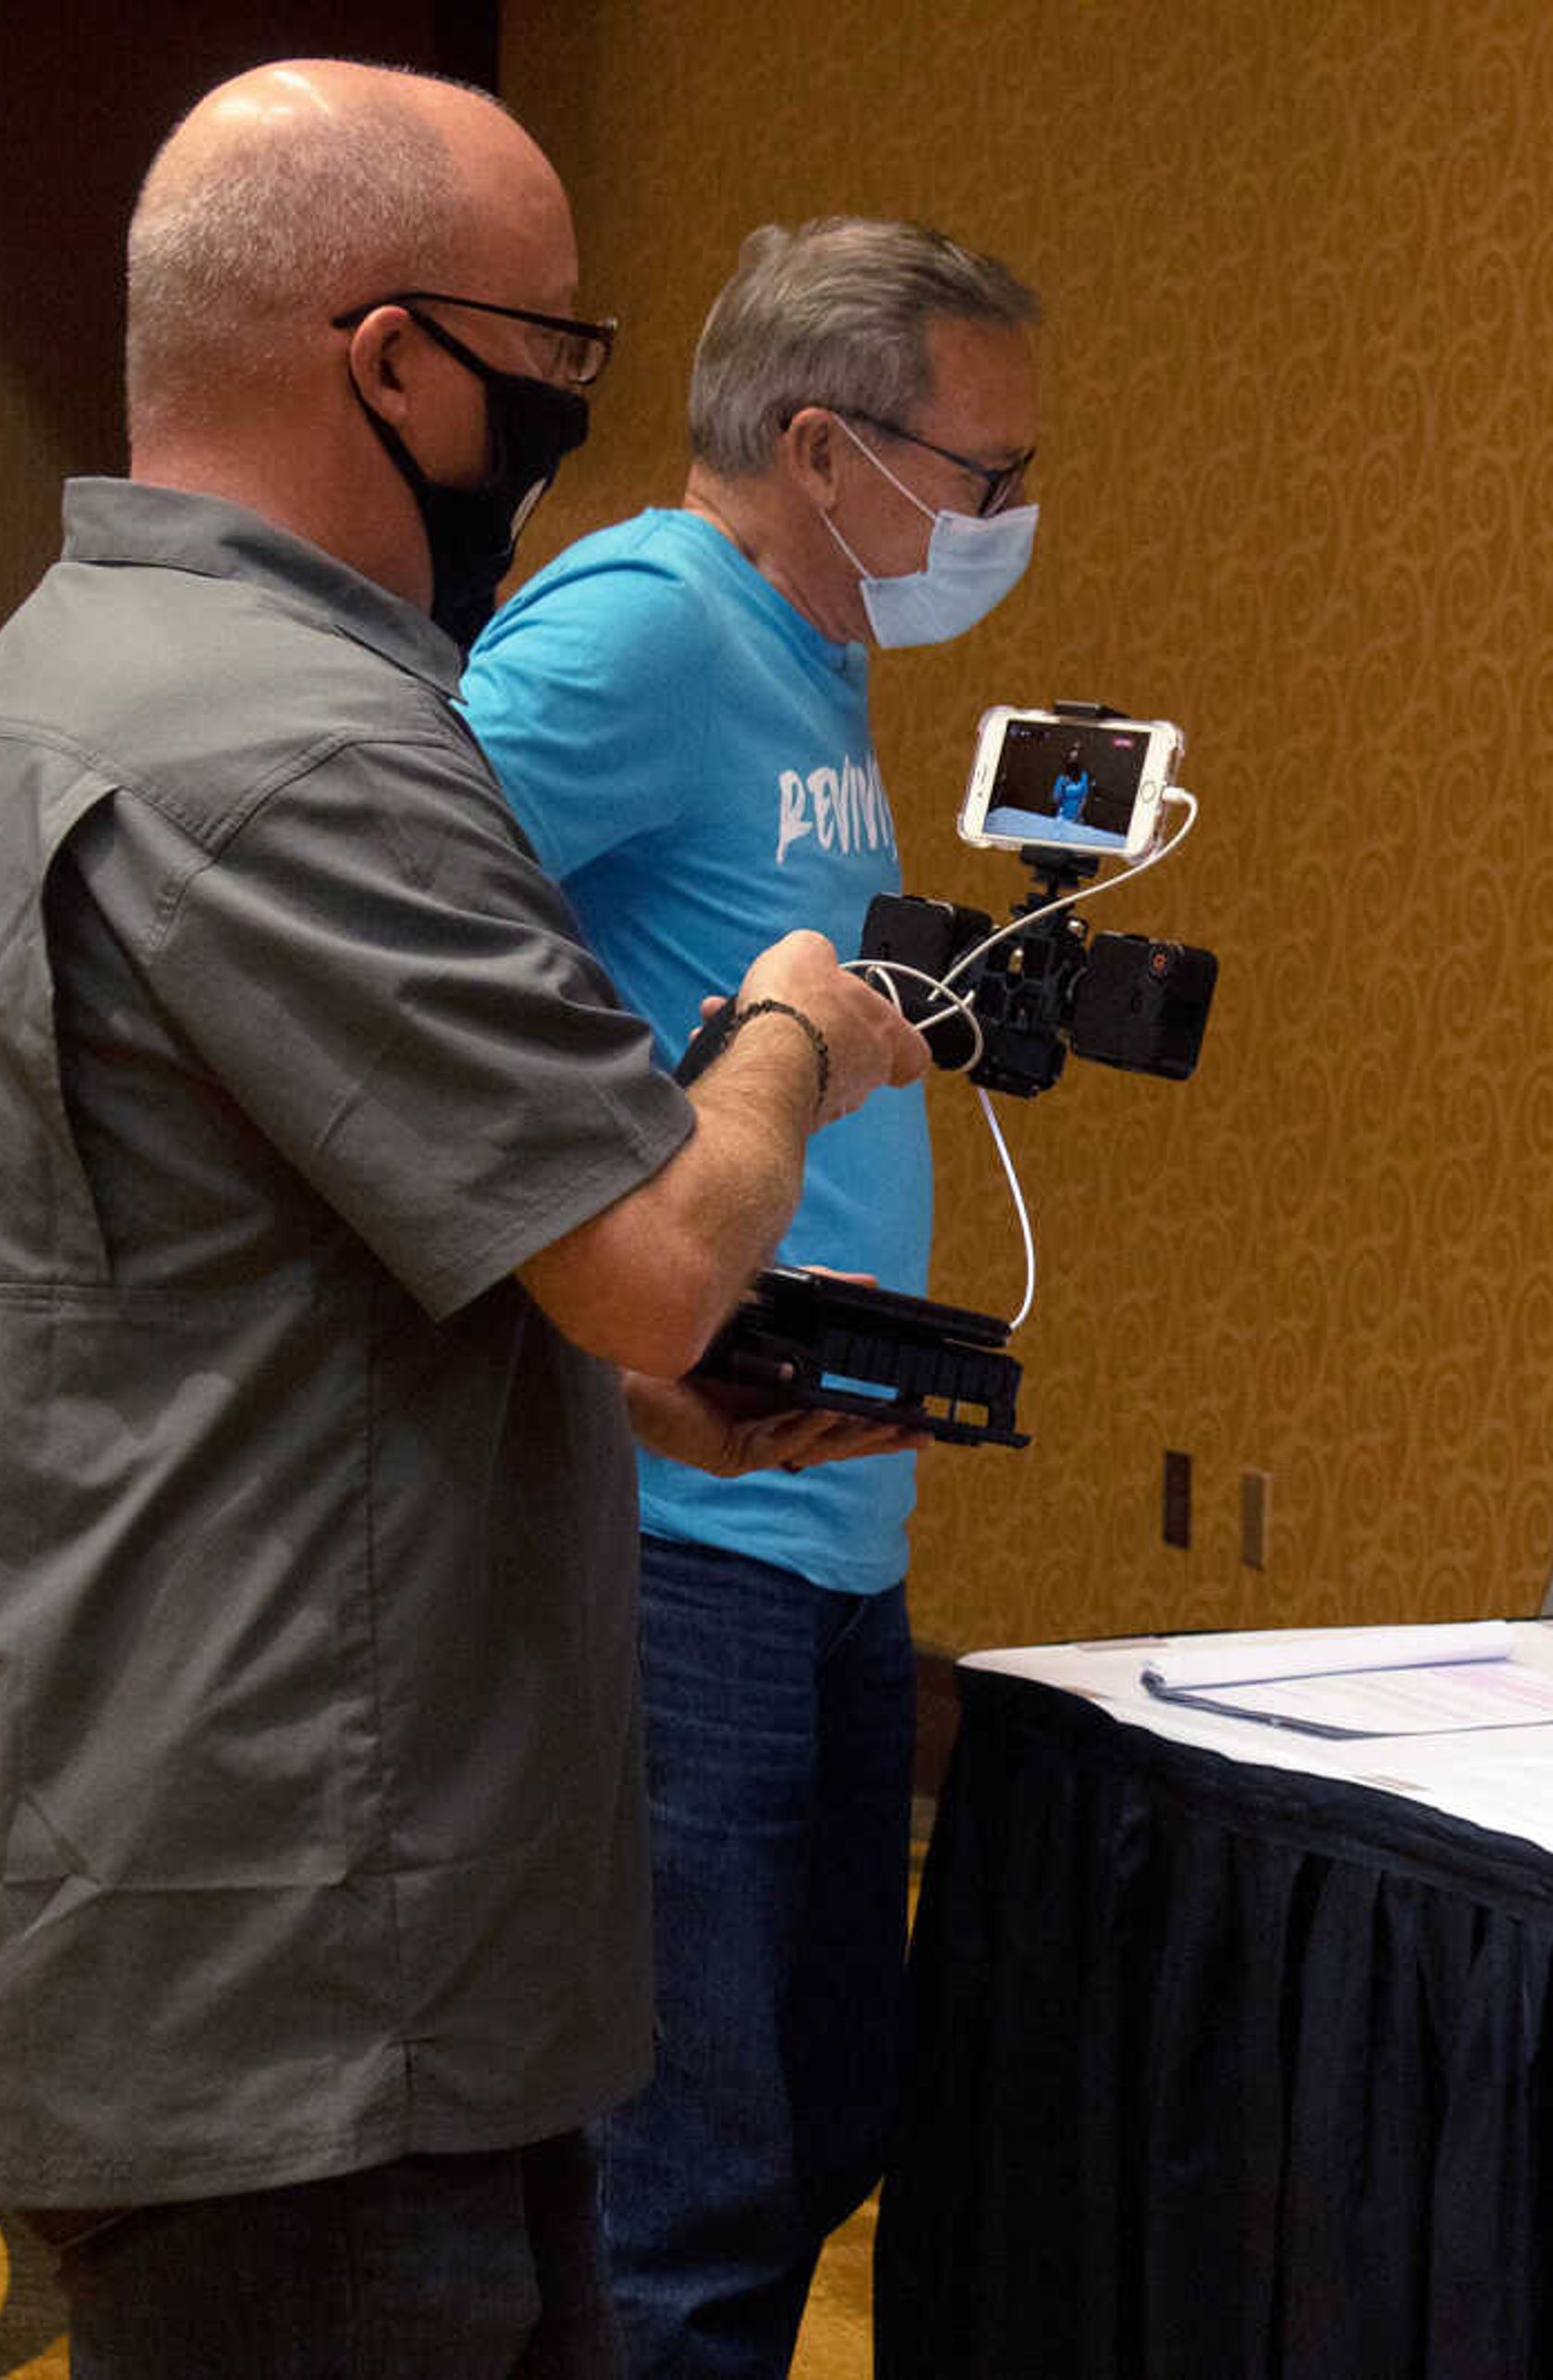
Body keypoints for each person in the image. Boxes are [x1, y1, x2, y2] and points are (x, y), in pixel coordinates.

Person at [0, 62, 930, 2377]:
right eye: (554, 357)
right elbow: (662, 1248)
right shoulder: (308, 745)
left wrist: (632, 1380)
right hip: (311, 1970)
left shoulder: (34, 695)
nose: (569, 422)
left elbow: (213, 1256)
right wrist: (783, 1021)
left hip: (187, 1881)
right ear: (393, 360)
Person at [459, 217, 1041, 2378]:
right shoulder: (636, 623)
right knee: (679, 2196)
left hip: (805, 1498)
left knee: (815, 2117)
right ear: (824, 447)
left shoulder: (812, 660)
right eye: (983, 476)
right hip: (664, 1540)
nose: (1006, 522)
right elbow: (384, 935)